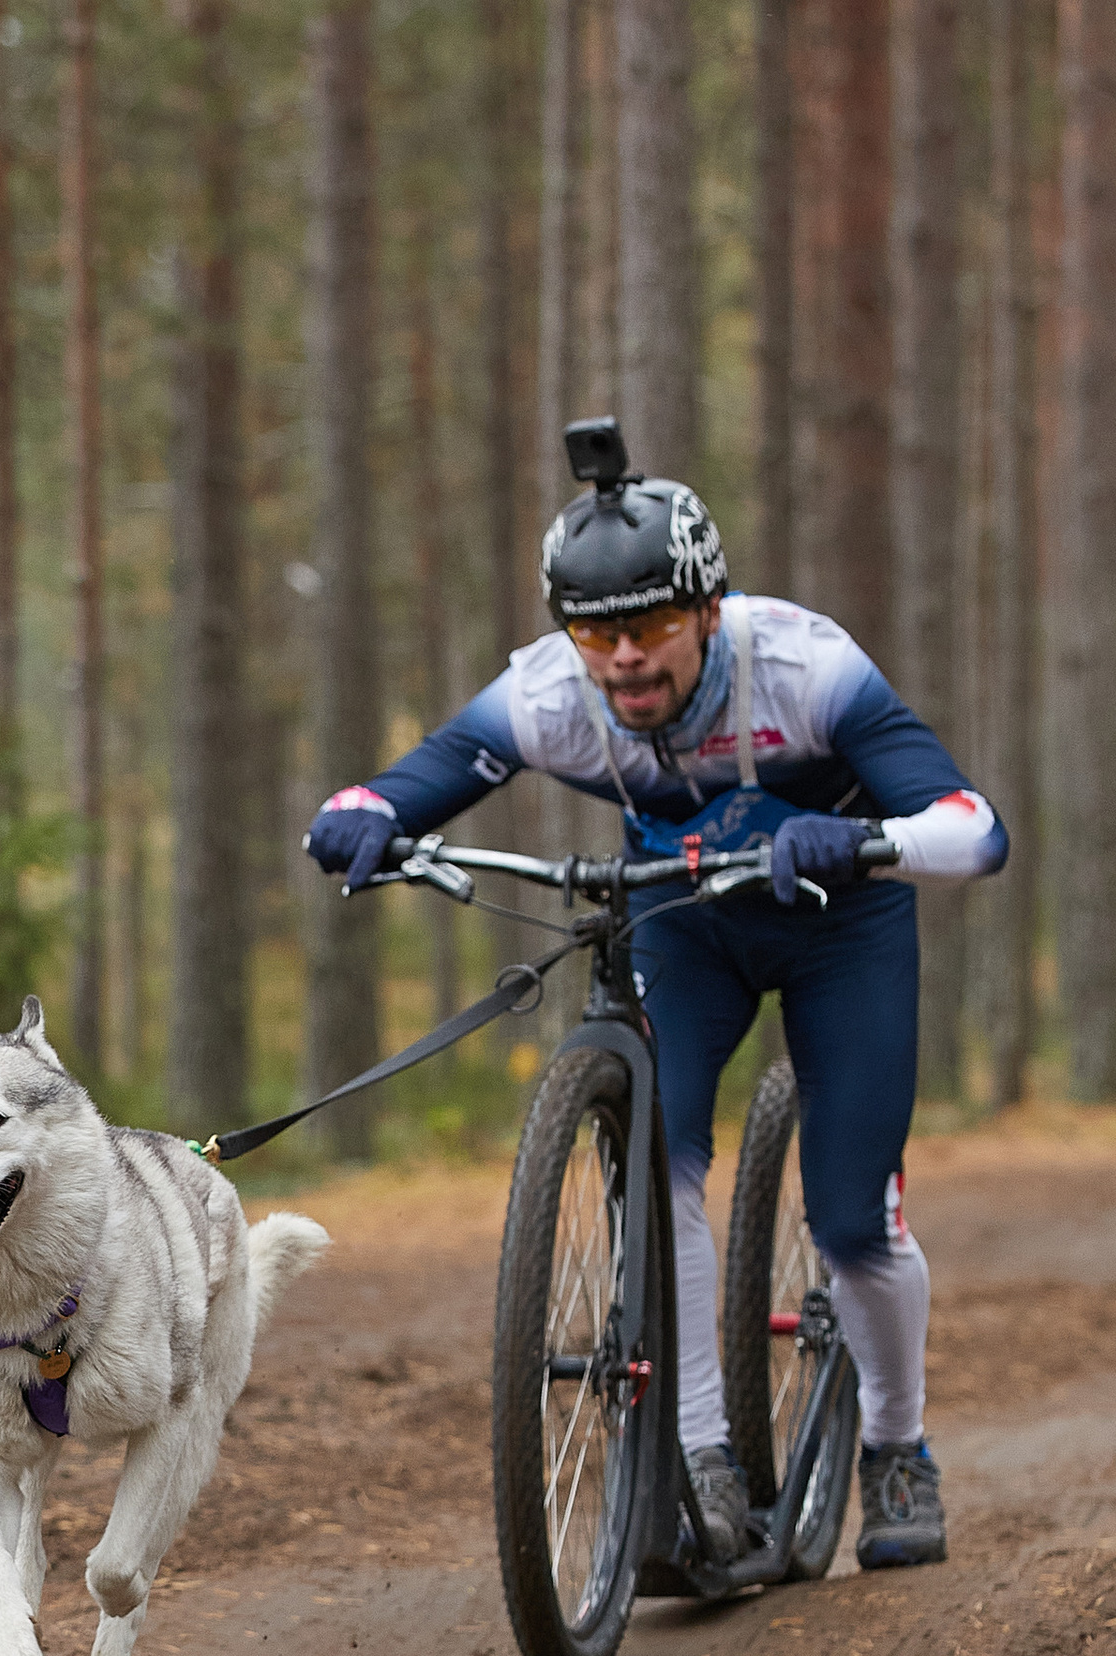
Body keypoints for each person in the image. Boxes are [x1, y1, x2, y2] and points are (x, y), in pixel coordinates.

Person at [304, 422, 1004, 1572]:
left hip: (842, 931)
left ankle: (895, 1444)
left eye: (650, 628)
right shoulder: (546, 695)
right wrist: (362, 815)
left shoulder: (806, 667)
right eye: (593, 632)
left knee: (848, 1223)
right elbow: (408, 779)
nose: (622, 659)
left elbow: (976, 833)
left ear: (708, 613)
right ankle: (699, 1461)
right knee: (657, 1167)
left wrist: (864, 836)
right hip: (684, 926)